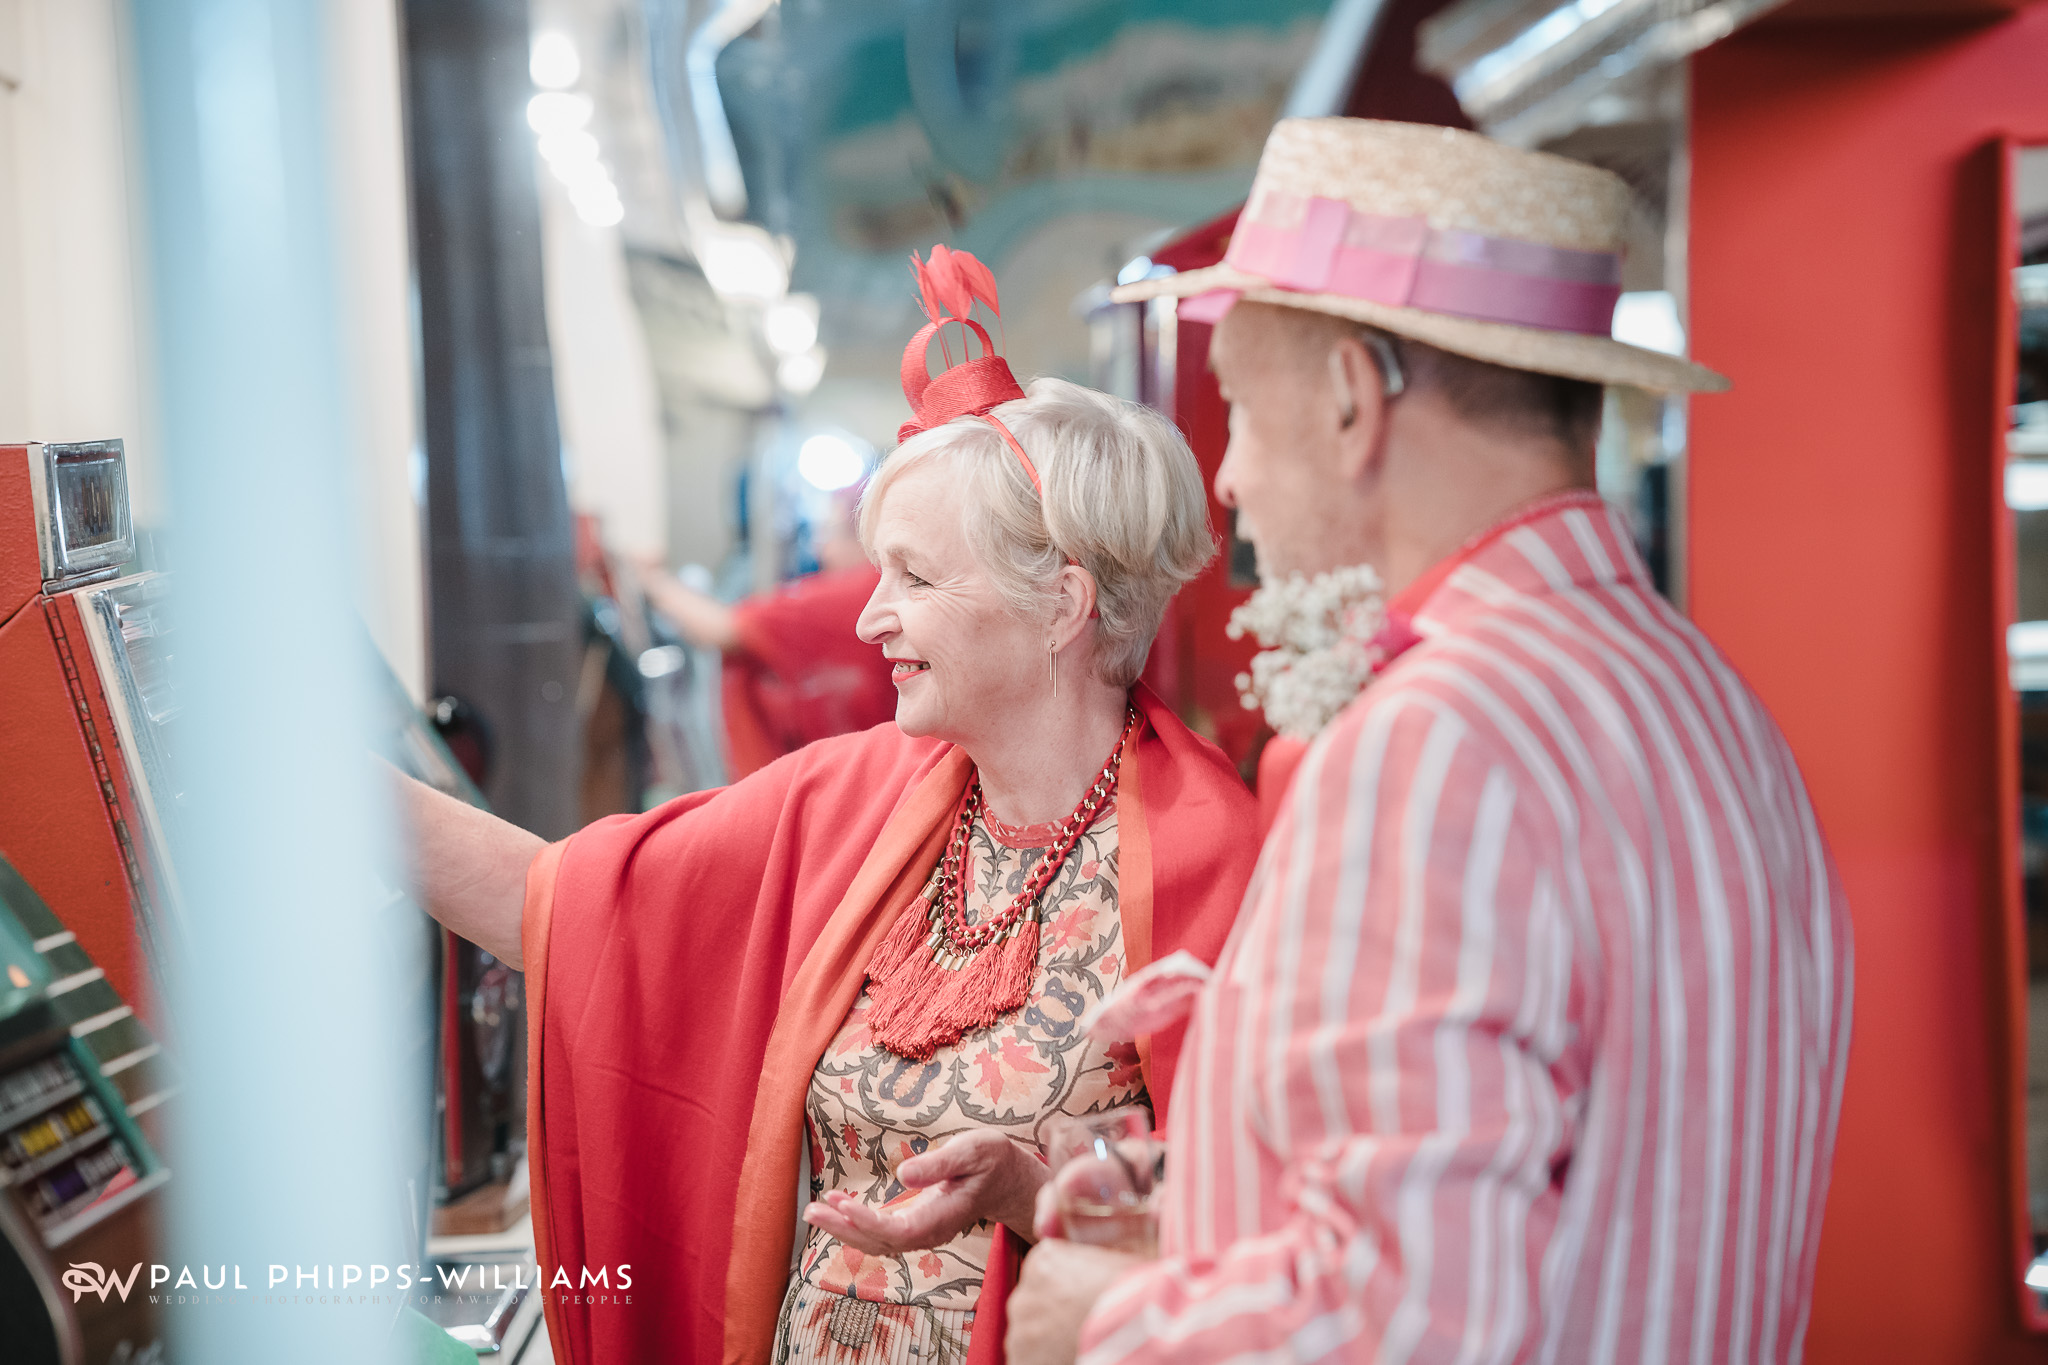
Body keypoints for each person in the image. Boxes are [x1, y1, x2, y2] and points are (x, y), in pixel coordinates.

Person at [1008, 118, 1855, 1364]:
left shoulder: (1435, 741)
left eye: (1237, 408)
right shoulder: (1706, 698)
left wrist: (1107, 1320)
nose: (1228, 476)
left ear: (1351, 399)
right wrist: (1210, 1222)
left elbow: (1406, 1322)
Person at [392, 250, 1260, 1365]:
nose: (867, 623)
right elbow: (564, 908)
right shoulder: (851, 797)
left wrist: (1030, 1196)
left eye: (914, 579)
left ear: (1062, 605)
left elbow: (1255, 1245)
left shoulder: (1213, 861)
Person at [636, 492, 898, 779]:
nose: (821, 549)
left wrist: (651, 579)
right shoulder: (879, 590)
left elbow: (721, 628)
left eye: (830, 533)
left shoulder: (851, 592)